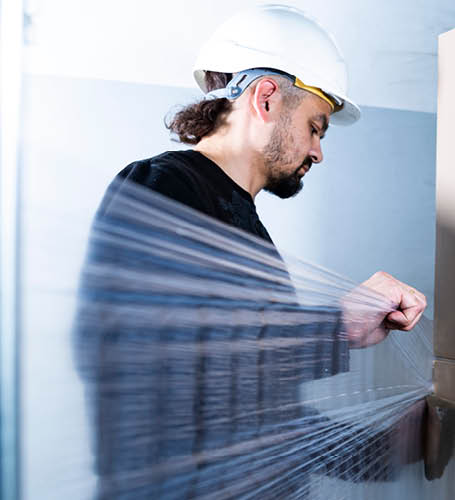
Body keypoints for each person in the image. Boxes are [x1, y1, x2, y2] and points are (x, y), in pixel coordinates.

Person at [72, 5, 428, 498]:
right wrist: (337, 327)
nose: (318, 151)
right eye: (315, 127)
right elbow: (160, 357)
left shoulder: (241, 220)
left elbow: (258, 412)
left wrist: (386, 448)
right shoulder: (163, 186)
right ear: (266, 98)